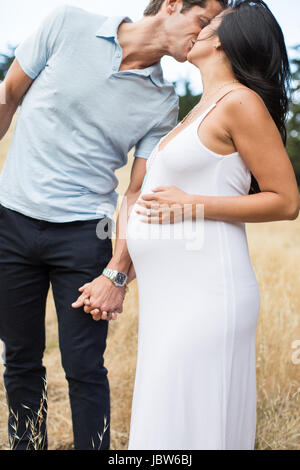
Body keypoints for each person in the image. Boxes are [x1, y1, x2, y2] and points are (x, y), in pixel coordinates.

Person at [0, 0, 226, 450]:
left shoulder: (163, 102)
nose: (202, 37)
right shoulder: (67, 24)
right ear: (174, 5)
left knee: (84, 367)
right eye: (202, 22)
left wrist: (117, 272)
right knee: (21, 360)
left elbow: (136, 192)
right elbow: (7, 97)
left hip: (84, 237)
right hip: (11, 223)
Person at [82, 0, 299, 450]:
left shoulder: (241, 103)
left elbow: (286, 201)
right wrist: (120, 271)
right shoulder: (197, 110)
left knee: (190, 422)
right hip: (169, 298)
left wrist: (194, 205)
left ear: (219, 38)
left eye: (208, 23)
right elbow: (149, 199)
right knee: (166, 418)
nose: (195, 30)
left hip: (208, 294)